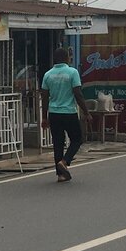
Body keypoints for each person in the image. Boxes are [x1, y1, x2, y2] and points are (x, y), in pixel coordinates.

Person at [40, 47, 91, 183]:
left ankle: (60, 175)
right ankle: (64, 161)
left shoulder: (48, 75)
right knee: (77, 139)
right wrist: (86, 112)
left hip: (54, 114)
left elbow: (44, 97)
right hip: (69, 112)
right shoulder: (72, 72)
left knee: (58, 143)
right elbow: (78, 94)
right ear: (67, 58)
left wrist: (44, 117)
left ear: (55, 59)